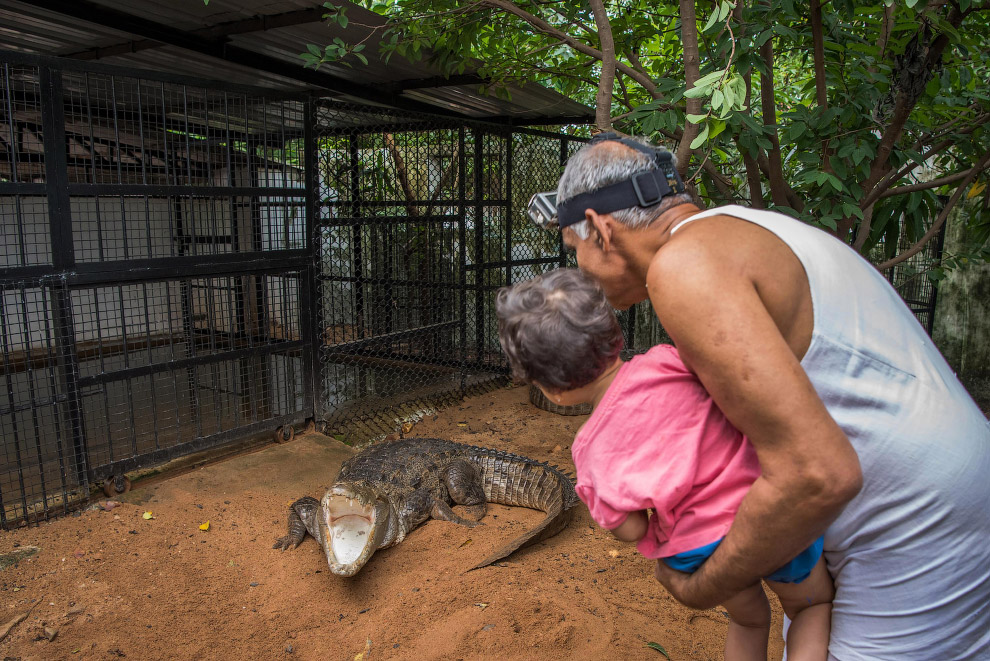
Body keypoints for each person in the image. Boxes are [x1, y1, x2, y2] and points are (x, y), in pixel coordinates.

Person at [543, 134, 990, 659]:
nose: (582, 274)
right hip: (956, 483)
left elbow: (818, 475)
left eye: (576, 253)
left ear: (599, 228)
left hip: (912, 522)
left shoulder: (683, 267)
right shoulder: (747, 227)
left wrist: (698, 586)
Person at [496, 268, 834, 661]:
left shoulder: (588, 452)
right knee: (809, 606)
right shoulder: (670, 361)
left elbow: (632, 527)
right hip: (768, 511)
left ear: (552, 392)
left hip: (699, 548)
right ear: (614, 336)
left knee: (749, 620)